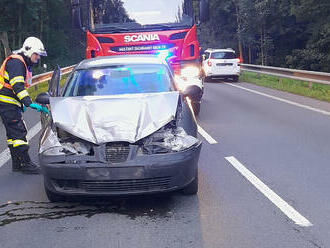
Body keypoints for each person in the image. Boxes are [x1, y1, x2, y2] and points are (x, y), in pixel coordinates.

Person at [0, 37, 49, 174]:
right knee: (19, 133)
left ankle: (17, 164)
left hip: (8, 103)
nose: (38, 58)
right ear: (28, 50)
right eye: (36, 54)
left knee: (12, 136)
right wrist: (29, 103)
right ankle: (26, 164)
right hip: (7, 103)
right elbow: (17, 86)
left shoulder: (19, 62)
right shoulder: (17, 63)